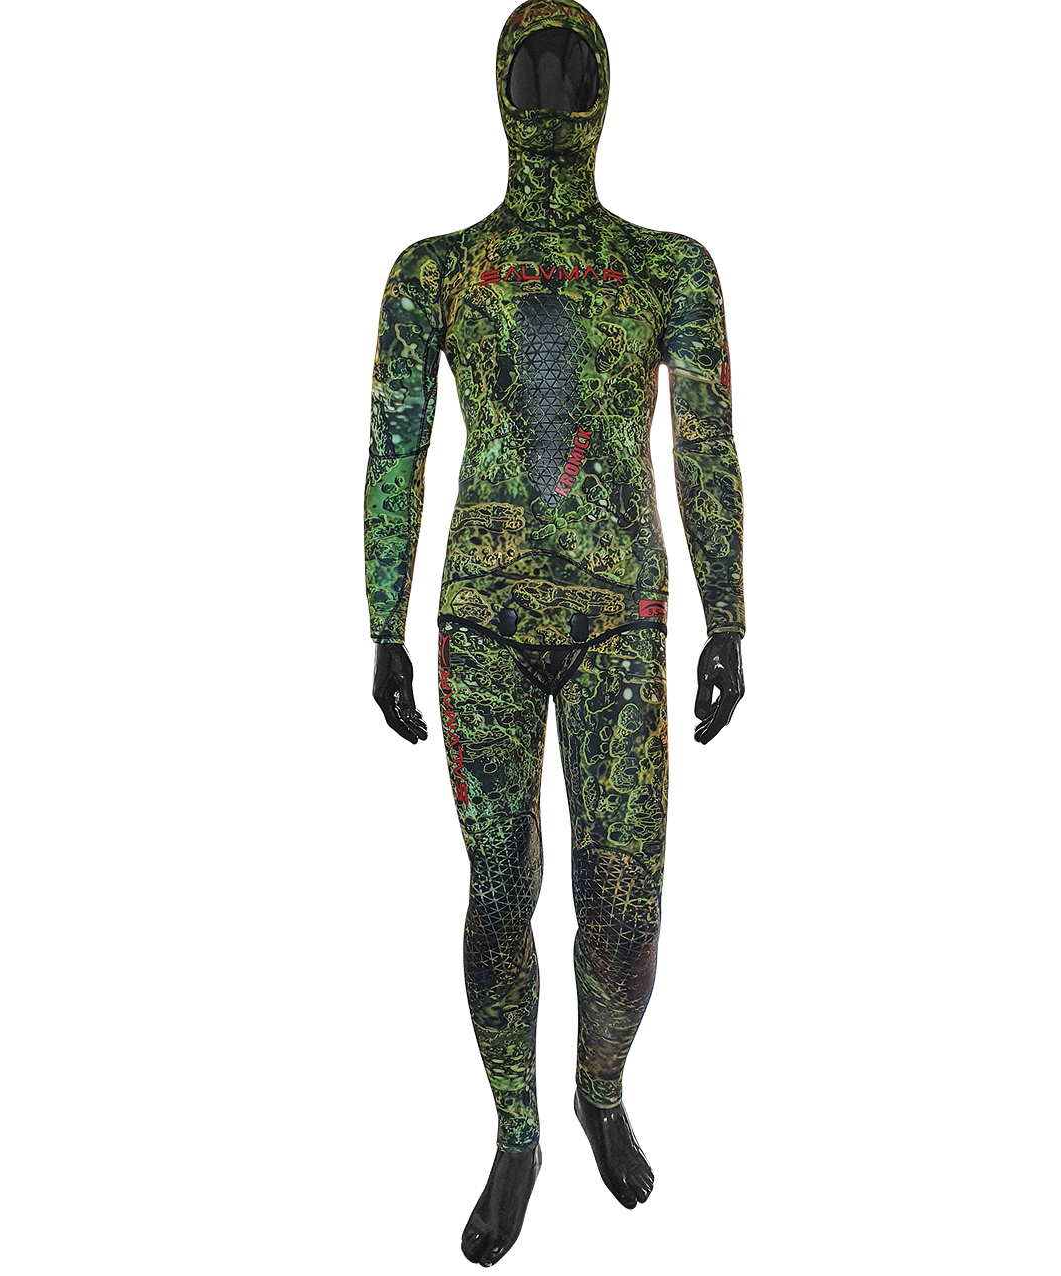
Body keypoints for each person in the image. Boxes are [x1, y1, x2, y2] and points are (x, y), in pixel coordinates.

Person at [363, 2, 746, 1264]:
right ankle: (516, 1128)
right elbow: (397, 446)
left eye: (568, 68)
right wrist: (381, 620)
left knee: (623, 902)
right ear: (497, 86)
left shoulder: (667, 267)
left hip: (620, 612)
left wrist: (728, 616)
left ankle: (600, 1088)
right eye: (532, 67)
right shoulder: (435, 271)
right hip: (482, 611)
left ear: (603, 88)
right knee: (497, 886)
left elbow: (704, 447)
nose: (549, 89)